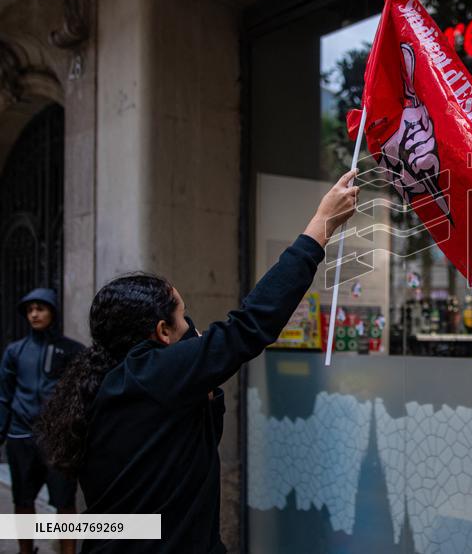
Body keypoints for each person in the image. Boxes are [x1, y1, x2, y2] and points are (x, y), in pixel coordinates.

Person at [36, 169, 359, 553]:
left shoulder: (110, 381)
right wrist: (319, 228)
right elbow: (251, 325)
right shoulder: (155, 374)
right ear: (162, 332)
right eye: (183, 318)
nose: (192, 327)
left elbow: (179, 461)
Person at [0, 287, 83, 554]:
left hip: (57, 439)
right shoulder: (15, 351)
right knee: (22, 499)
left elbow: (82, 392)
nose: (34, 314)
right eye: (29, 310)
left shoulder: (71, 350)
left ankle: (68, 550)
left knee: (64, 500)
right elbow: (4, 395)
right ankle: (26, 550)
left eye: (40, 308)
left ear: (53, 312)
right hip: (21, 436)